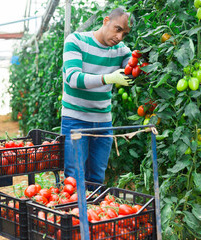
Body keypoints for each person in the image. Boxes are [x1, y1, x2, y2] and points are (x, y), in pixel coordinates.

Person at [61, 7, 134, 184]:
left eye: (124, 34)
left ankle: (94, 212)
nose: (119, 37)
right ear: (106, 21)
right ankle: (75, 212)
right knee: (74, 178)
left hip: (103, 122)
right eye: (118, 29)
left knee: (97, 178)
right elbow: (73, 78)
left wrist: (141, 63)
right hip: (75, 120)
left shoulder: (121, 50)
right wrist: (108, 78)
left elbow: (134, 68)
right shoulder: (76, 40)